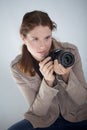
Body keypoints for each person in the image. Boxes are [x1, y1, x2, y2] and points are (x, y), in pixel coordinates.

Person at [8, 10, 87, 130]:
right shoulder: (17, 68)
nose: (43, 46)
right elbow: (38, 112)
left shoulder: (70, 52)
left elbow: (83, 100)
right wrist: (48, 83)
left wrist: (67, 77)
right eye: (35, 39)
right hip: (45, 122)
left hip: (79, 116)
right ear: (23, 37)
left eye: (47, 37)